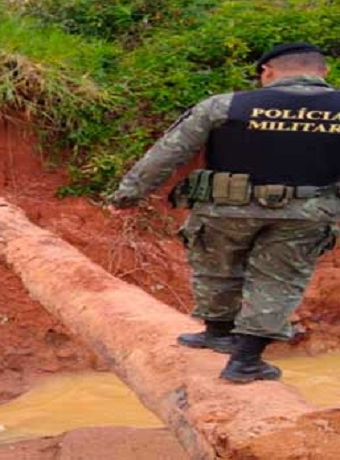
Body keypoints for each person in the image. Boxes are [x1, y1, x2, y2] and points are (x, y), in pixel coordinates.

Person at [108, 42, 340, 384]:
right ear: (324, 72)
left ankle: (217, 333)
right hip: (306, 212)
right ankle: (246, 361)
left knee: (216, 269)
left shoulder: (226, 105)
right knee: (279, 282)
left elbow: (168, 153)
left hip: (226, 208)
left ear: (268, 72)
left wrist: (127, 196)